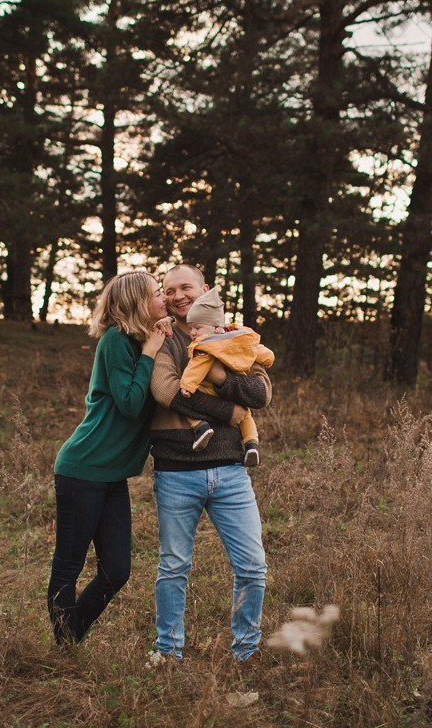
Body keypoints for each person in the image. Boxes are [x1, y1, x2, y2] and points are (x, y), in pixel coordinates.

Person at [146, 264, 271, 664]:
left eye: (187, 287)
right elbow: (166, 390)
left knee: (252, 567)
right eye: (170, 290)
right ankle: (168, 653)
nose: (179, 295)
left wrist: (216, 373)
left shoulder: (234, 333)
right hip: (176, 470)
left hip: (232, 472)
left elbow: (259, 392)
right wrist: (231, 413)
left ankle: (246, 653)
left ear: (206, 289)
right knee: (174, 567)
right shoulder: (162, 337)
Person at [47, 271, 169, 645]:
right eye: (157, 292)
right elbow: (131, 404)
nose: (164, 297)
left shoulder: (144, 342)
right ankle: (65, 644)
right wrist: (150, 351)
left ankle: (71, 633)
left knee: (117, 570)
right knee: (69, 564)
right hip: (83, 469)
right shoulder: (116, 342)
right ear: (137, 302)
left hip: (111, 476)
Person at [178, 287, 275, 467]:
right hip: (235, 394)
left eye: (197, 328)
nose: (192, 333)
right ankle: (252, 444)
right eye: (191, 328)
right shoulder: (236, 338)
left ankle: (201, 427)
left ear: (215, 327)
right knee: (246, 416)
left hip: (208, 390)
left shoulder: (205, 346)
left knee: (188, 405)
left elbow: (197, 368)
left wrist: (187, 386)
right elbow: (256, 351)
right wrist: (268, 358)